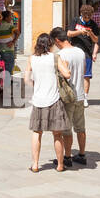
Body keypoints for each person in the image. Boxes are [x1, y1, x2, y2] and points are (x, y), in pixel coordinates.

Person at [26, 32, 69, 172]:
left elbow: (27, 79)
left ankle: (35, 165)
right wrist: (66, 67)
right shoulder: (55, 57)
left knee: (37, 133)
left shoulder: (32, 58)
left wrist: (36, 86)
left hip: (38, 100)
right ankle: (60, 165)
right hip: (54, 100)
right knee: (57, 134)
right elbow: (67, 74)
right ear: (50, 45)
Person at [54, 26, 88, 166]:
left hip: (68, 96)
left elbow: (62, 75)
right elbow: (84, 71)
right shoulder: (80, 52)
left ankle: (67, 157)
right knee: (80, 127)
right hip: (80, 94)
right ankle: (82, 154)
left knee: (67, 129)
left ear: (57, 40)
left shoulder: (61, 55)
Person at [67, 4, 98, 100]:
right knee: (71, 74)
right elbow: (69, 33)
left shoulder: (93, 24)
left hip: (87, 52)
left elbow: (96, 40)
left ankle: (85, 97)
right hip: (74, 51)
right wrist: (80, 32)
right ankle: (72, 94)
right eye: (85, 17)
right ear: (81, 14)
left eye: (89, 17)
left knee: (86, 76)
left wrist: (91, 33)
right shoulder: (75, 21)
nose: (87, 19)